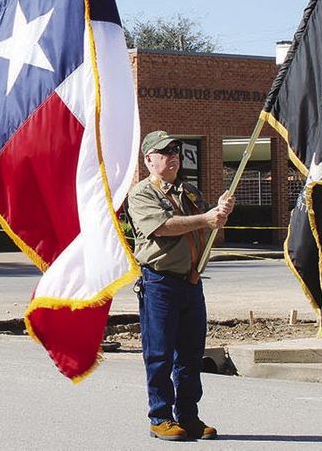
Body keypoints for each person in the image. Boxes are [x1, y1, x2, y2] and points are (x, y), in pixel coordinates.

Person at [126, 130, 234, 442]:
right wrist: (207, 218)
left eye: (175, 150)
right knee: (159, 353)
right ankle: (160, 416)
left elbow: (207, 225)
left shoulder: (188, 192)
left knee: (190, 354)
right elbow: (162, 227)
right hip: (160, 282)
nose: (173, 155)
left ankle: (189, 415)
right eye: (164, 152)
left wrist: (221, 212)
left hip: (191, 282)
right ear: (148, 159)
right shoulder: (142, 194)